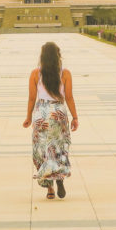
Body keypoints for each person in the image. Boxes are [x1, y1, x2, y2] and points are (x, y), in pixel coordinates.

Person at [23, 41, 78, 199]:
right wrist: (75, 117)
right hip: (58, 112)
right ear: (58, 56)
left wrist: (28, 117)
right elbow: (69, 97)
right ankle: (59, 178)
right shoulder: (65, 73)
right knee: (58, 148)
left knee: (42, 150)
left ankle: (50, 189)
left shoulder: (35, 73)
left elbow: (32, 98)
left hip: (42, 113)